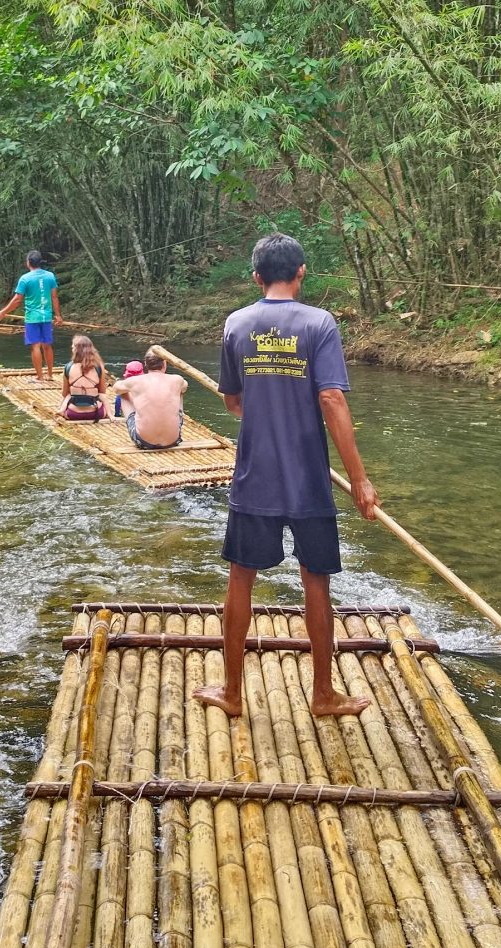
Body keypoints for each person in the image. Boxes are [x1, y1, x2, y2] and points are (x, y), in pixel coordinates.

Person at [192, 232, 380, 719]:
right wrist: (358, 478)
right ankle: (322, 694)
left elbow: (233, 401)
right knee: (316, 582)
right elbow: (332, 399)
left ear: (256, 277)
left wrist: (261, 399)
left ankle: (231, 693)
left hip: (255, 475)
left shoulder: (237, 323)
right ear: (301, 273)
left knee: (240, 579)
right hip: (309, 477)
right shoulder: (320, 323)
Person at [0, 250, 63, 382]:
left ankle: (40, 377)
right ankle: (49, 375)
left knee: (35, 346)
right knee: (47, 345)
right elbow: (54, 297)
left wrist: (3, 312)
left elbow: (17, 300)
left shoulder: (25, 279)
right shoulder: (50, 276)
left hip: (32, 317)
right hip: (46, 316)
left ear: (28, 263)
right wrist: (58, 315)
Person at [114, 348, 187, 449]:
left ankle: (137, 417)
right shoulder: (177, 379)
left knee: (123, 393)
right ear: (164, 363)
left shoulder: (135, 381)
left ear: (145, 364)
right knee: (180, 391)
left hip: (143, 441)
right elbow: (184, 387)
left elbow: (116, 388)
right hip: (173, 440)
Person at [59, 335, 109, 421]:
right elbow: (102, 391)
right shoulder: (99, 367)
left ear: (76, 350)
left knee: (67, 397)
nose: (71, 348)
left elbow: (65, 393)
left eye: (73, 347)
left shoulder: (68, 367)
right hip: (97, 413)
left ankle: (61, 411)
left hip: (73, 413)